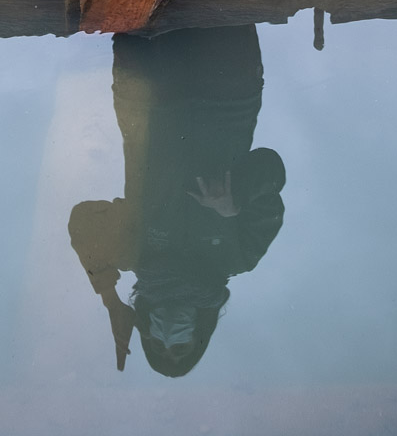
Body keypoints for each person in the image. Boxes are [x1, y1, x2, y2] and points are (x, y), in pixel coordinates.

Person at [68, 24, 286, 376]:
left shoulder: (131, 253)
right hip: (229, 95)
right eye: (181, 346)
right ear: (201, 333)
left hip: (148, 96)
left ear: (144, 332)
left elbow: (82, 219)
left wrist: (110, 299)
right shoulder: (240, 255)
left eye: (157, 345)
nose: (169, 337)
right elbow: (271, 168)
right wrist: (237, 201)